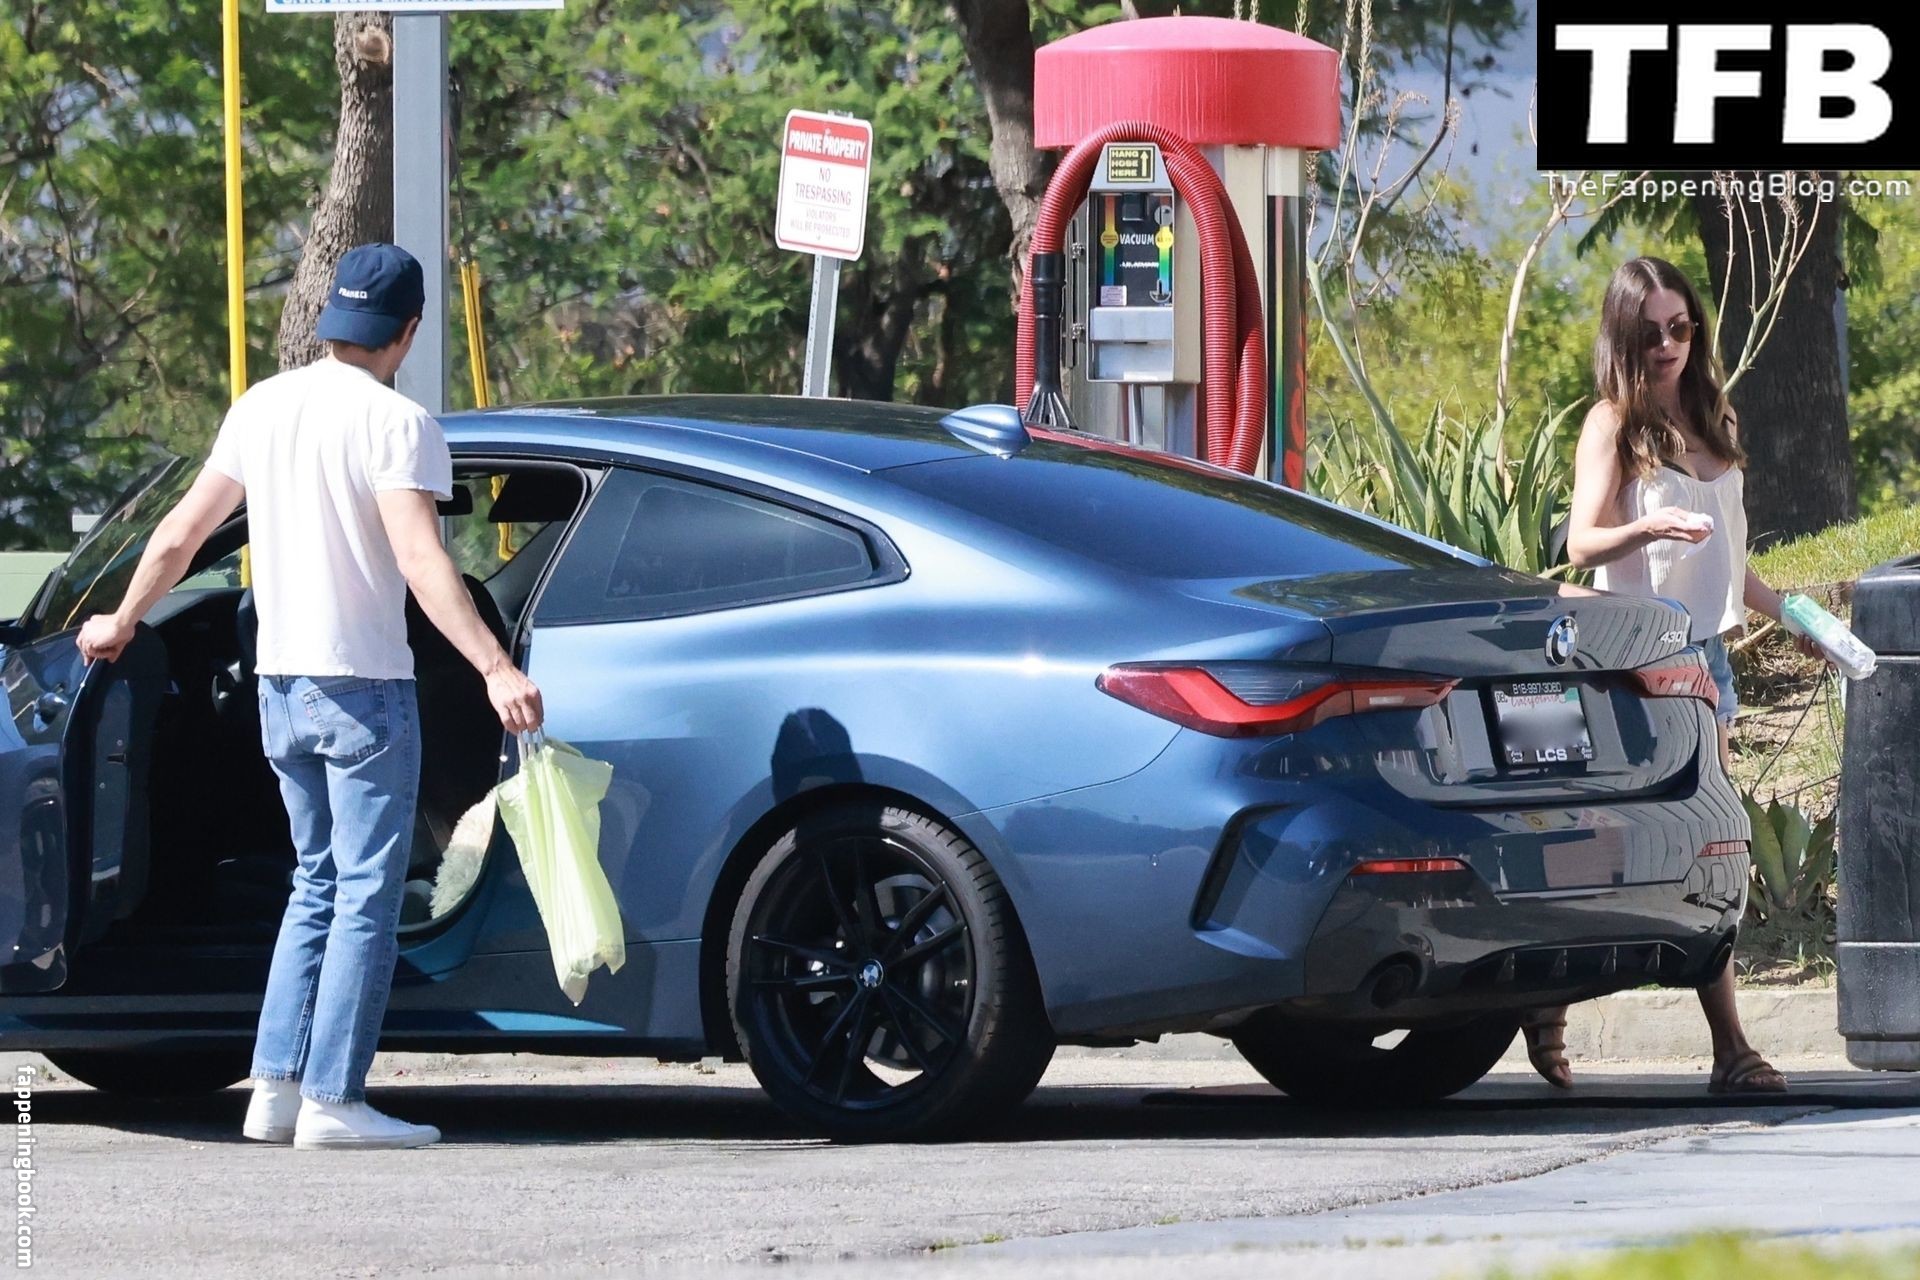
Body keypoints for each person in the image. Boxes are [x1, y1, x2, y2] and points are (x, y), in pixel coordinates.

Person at [77, 243, 543, 1148]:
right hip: (364, 685)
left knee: (314, 884)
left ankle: (276, 1089)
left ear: (333, 320)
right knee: (367, 892)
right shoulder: (398, 423)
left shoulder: (261, 406)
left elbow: (180, 535)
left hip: (279, 685)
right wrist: (494, 666)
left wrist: (122, 620)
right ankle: (336, 1099)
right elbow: (422, 561)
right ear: (408, 331)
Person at [1519, 255, 1819, 1096]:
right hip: (1633, 659)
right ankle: (1582, 1006)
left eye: (1680, 327)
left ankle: (1717, 1046)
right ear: (1624, 335)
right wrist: (1648, 531)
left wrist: (1796, 618)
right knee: (1623, 843)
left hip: (1705, 658)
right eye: (1649, 331)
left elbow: (1733, 563)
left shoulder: (1716, 415)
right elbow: (1581, 541)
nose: (1667, 344)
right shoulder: (1612, 424)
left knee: (1704, 848)